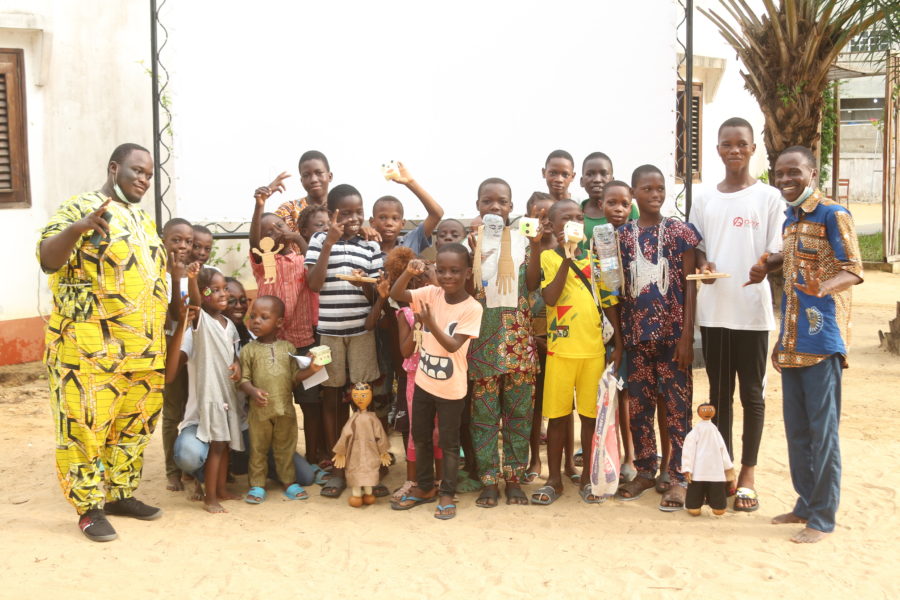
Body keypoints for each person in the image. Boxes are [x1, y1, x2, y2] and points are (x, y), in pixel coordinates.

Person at [38, 142, 167, 542]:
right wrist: (77, 229)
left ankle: (120, 494)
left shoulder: (143, 219)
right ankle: (89, 508)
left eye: (149, 174)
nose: (144, 180)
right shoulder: (80, 207)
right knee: (84, 425)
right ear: (114, 169)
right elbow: (47, 258)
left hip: (142, 350)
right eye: (136, 171)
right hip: (88, 348)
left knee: (134, 424)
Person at [689, 117, 786, 512]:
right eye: (727, 144)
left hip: (752, 314)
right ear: (718, 150)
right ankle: (724, 469)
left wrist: (765, 266)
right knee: (719, 396)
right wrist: (704, 265)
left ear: (752, 149)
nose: (734, 150)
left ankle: (748, 473)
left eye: (741, 144)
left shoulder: (769, 197)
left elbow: (778, 251)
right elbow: (696, 245)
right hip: (714, 314)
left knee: (752, 396)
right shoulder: (704, 198)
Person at [769, 146, 863, 544]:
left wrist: (822, 287)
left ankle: (822, 518)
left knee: (823, 433)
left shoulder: (832, 214)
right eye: (779, 173)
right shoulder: (790, 219)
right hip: (792, 341)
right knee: (797, 431)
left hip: (822, 342)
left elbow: (853, 269)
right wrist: (780, 340)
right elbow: (792, 285)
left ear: (812, 173)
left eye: (793, 172)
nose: (785, 179)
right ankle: (805, 503)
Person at [614, 165, 700, 512]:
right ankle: (646, 470)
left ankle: (678, 476)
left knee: (678, 408)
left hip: (672, 336)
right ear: (634, 193)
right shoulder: (622, 236)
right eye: (647, 189)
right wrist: (621, 340)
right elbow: (616, 288)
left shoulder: (679, 232)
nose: (655, 194)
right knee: (639, 408)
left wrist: (687, 336)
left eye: (660, 188)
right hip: (636, 337)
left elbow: (690, 285)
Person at [531, 199, 622, 505]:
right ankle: (554, 480)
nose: (574, 224)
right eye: (566, 219)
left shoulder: (596, 259)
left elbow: (609, 303)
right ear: (553, 226)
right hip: (560, 354)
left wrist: (619, 345)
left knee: (589, 418)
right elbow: (550, 298)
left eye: (579, 218)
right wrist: (567, 258)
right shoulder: (548, 257)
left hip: (593, 353)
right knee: (557, 418)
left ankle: (587, 478)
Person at [389, 245, 483, 520]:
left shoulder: (472, 308)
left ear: (467, 273)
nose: (447, 276)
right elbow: (396, 294)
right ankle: (425, 487)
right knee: (421, 437)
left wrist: (430, 321)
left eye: (455, 271)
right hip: (423, 383)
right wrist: (408, 273)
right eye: (441, 270)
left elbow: (453, 345)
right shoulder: (430, 293)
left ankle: (447, 493)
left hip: (451, 389)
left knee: (449, 443)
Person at [305, 184, 385, 498]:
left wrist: (364, 283)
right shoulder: (319, 240)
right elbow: (314, 284)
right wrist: (329, 243)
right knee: (331, 396)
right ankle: (338, 468)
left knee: (363, 398)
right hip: (329, 333)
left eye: (358, 212)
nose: (353, 218)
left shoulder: (370, 246)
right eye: (346, 213)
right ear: (332, 213)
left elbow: (376, 294)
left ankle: (366, 465)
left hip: (362, 332)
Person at [467, 178, 538, 507]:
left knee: (519, 416)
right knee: (483, 418)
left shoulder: (523, 240)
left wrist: (537, 246)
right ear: (478, 206)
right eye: (487, 201)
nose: (494, 206)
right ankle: (488, 481)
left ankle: (513, 479)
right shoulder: (471, 241)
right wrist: (473, 255)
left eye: (501, 201)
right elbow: (466, 292)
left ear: (511, 207)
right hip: (482, 344)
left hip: (519, 344)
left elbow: (533, 285)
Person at [249, 173, 323, 459]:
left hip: (305, 342)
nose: (275, 232)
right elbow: (255, 243)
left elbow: (313, 262)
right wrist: (260, 206)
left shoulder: (302, 258)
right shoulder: (266, 263)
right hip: (272, 347)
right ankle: (276, 458)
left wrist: (298, 239)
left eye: (279, 226)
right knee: (275, 405)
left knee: (312, 403)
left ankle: (314, 455)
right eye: (268, 231)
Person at [368, 163, 444, 440]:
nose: (388, 223)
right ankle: (379, 443)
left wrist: (409, 183)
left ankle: (408, 429)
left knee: (406, 376)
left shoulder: (410, 242)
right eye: (382, 218)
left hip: (410, 325)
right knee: (380, 382)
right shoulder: (366, 247)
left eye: (395, 218)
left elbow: (437, 213)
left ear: (402, 223)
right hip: (379, 326)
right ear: (372, 222)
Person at [166, 266, 244, 514]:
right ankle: (210, 498)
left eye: (224, 289)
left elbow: (233, 354)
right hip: (211, 396)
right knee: (216, 447)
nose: (223, 294)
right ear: (203, 293)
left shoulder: (229, 324)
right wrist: (191, 279)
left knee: (223, 446)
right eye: (215, 290)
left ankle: (220, 490)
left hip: (226, 394)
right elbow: (196, 303)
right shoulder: (202, 322)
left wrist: (237, 365)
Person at [239, 295, 325, 504]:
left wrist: (313, 370)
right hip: (259, 412)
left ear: (279, 323)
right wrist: (253, 392)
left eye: (264, 317)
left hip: (285, 409)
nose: (256, 321)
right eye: (253, 316)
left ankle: (289, 482)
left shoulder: (288, 348)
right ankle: (257, 484)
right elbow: (243, 380)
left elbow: (295, 377)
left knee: (285, 447)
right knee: (258, 449)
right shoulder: (248, 350)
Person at [600, 181, 639, 482]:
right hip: (609, 329)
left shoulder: (636, 237)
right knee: (614, 394)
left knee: (631, 394)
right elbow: (606, 293)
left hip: (637, 325)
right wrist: (617, 338)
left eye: (624, 204)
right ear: (601, 206)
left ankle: (633, 454)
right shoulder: (598, 242)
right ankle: (615, 454)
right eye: (611, 203)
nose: (618, 209)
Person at [161, 217, 195, 492]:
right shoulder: (155, 275)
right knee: (173, 411)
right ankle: (172, 470)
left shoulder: (197, 273)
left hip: (195, 350)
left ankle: (191, 467)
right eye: (176, 240)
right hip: (169, 349)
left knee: (193, 407)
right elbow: (174, 315)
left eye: (188, 241)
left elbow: (206, 299)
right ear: (163, 241)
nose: (183, 246)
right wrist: (174, 277)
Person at [523, 192, 555, 483]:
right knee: (534, 405)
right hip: (531, 339)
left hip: (562, 338)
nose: (544, 222)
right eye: (538, 216)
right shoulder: (523, 252)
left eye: (548, 216)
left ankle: (565, 464)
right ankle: (534, 458)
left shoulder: (565, 250)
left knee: (560, 406)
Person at [275, 150, 333, 253]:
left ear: (330, 176)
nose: (313, 179)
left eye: (319, 173)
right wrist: (261, 203)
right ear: (301, 181)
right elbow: (264, 244)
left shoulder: (343, 210)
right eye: (306, 175)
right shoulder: (287, 210)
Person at [579, 152, 639, 250]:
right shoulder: (575, 215)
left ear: (612, 180)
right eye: (590, 174)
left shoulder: (629, 209)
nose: (597, 179)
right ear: (581, 181)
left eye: (603, 174)